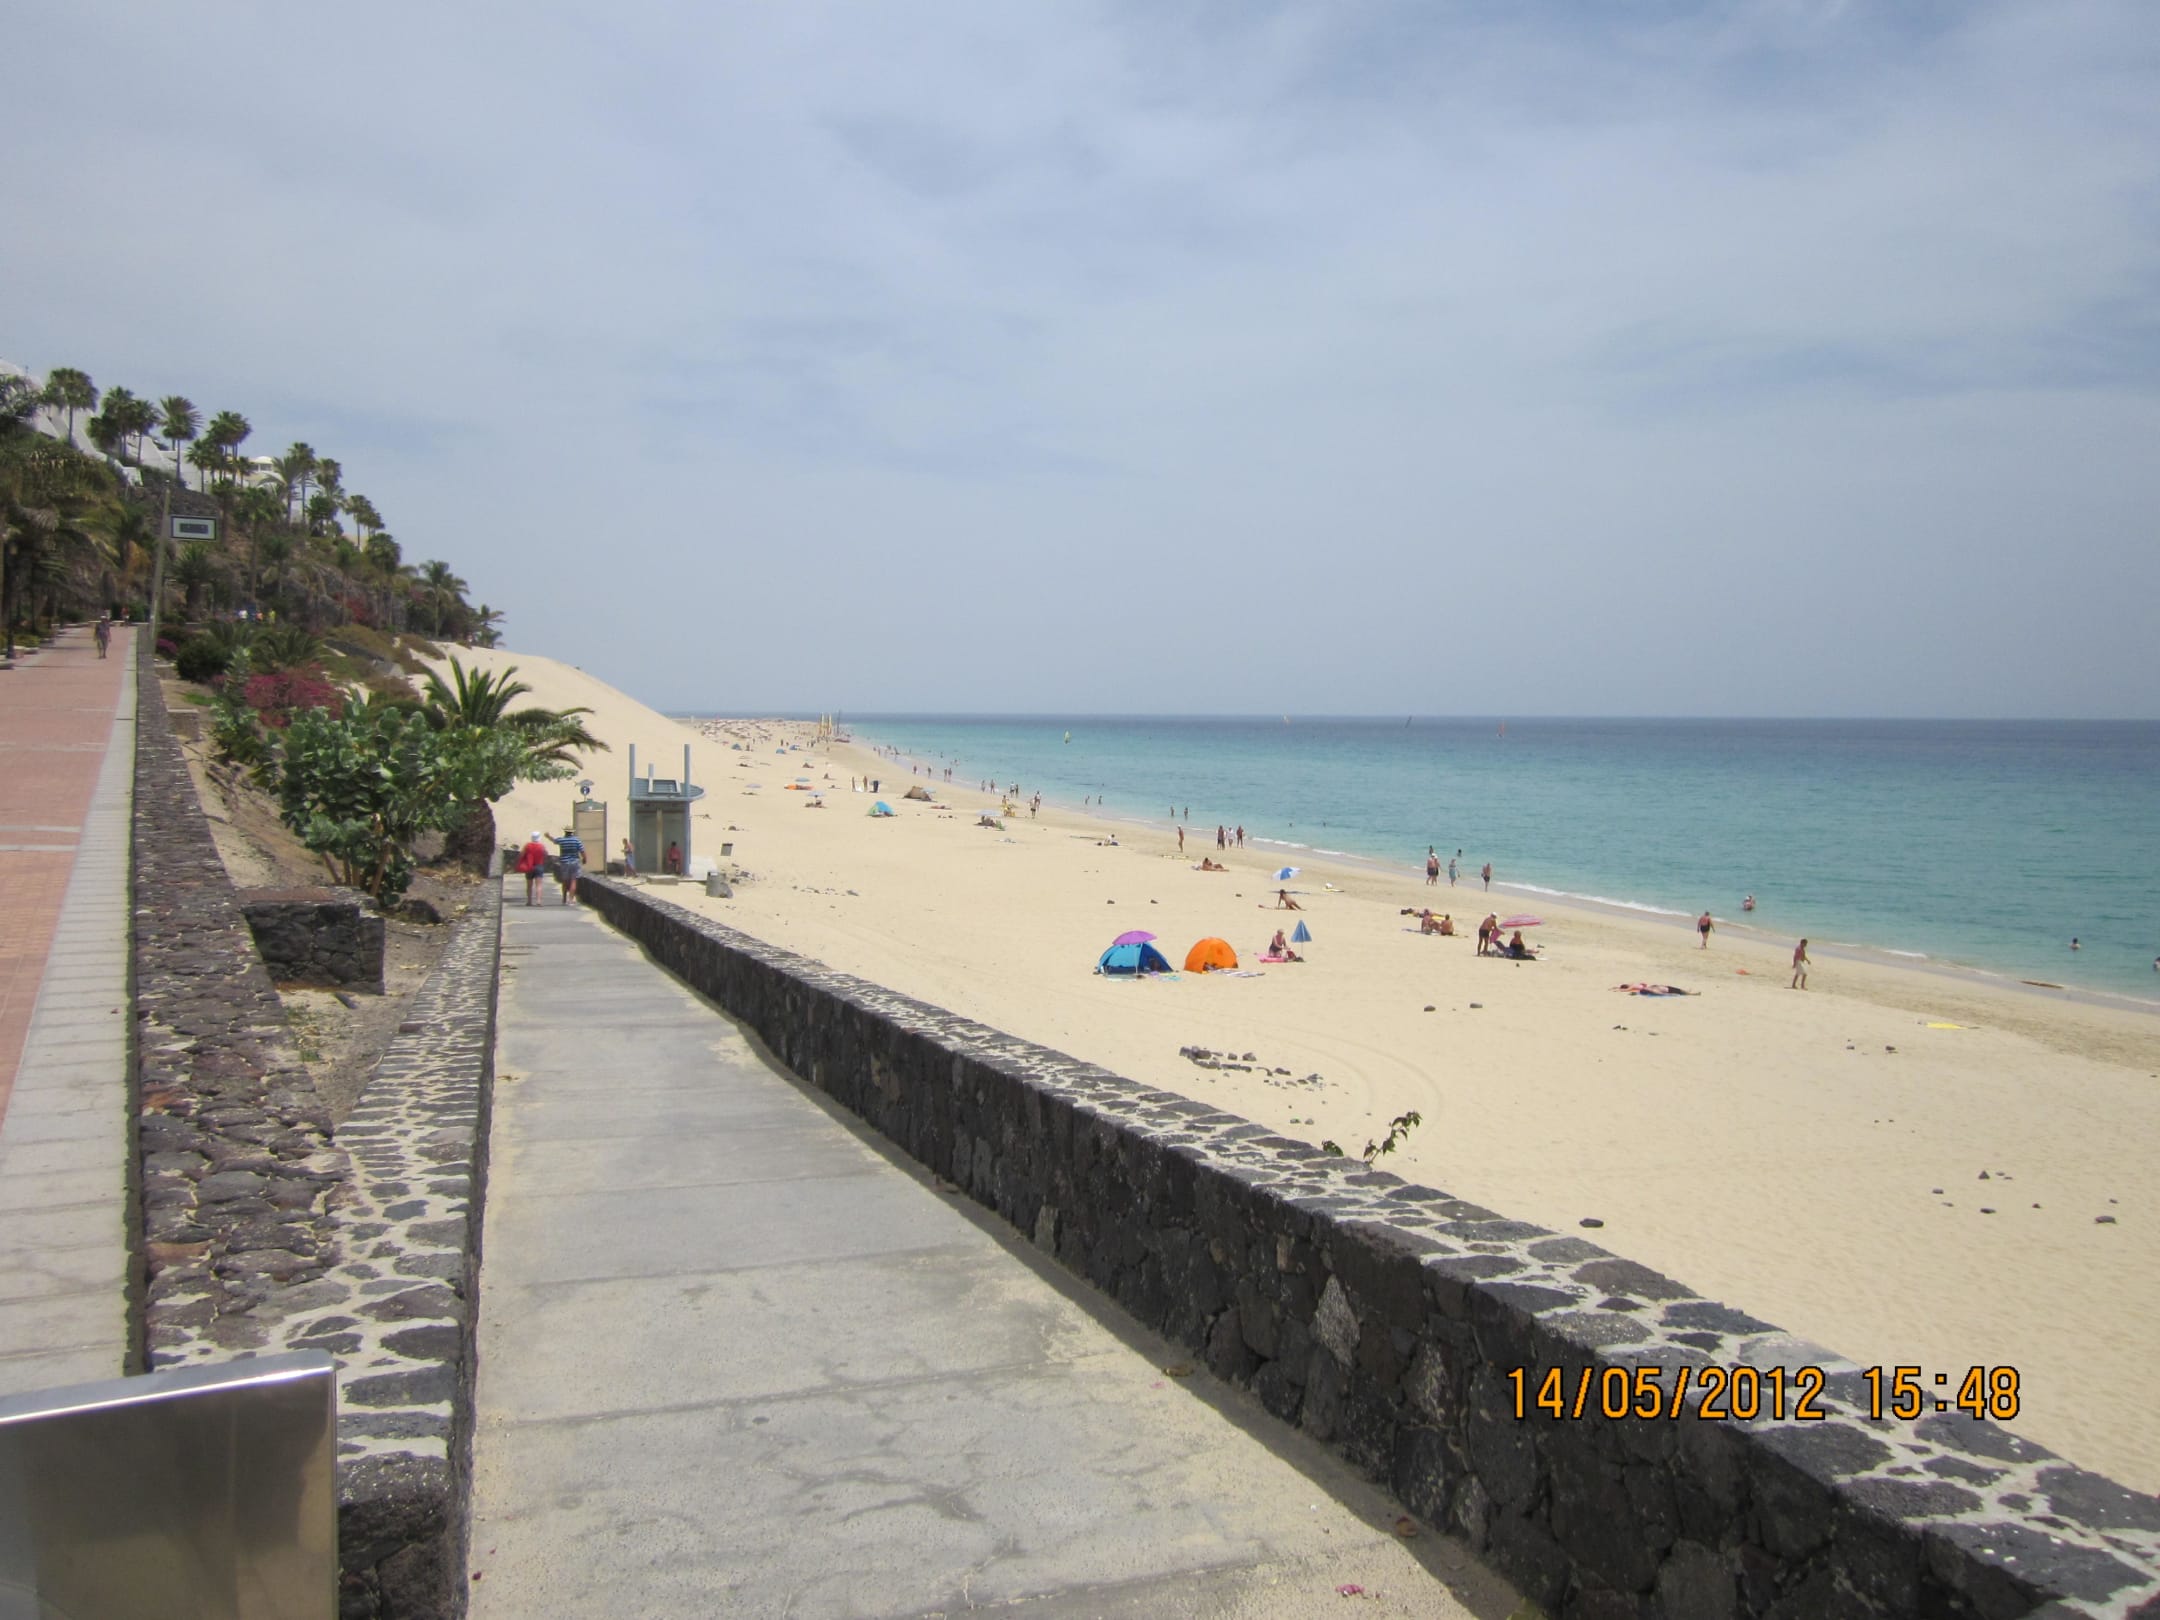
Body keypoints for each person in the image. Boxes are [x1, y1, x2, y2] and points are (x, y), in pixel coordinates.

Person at [548, 827, 587, 903]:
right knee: (573, 880)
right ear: (572, 832)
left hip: (564, 862)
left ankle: (564, 898)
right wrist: (584, 859)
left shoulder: (562, 840)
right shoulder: (576, 840)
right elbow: (582, 851)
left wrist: (548, 836)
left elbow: (554, 841)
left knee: (565, 881)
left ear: (565, 832)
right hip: (575, 862)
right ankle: (571, 899)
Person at [516, 830, 549, 907]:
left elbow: (521, 854)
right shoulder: (541, 846)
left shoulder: (527, 845)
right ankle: (538, 901)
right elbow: (545, 854)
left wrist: (519, 862)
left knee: (529, 885)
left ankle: (529, 901)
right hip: (539, 866)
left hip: (529, 866)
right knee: (539, 885)